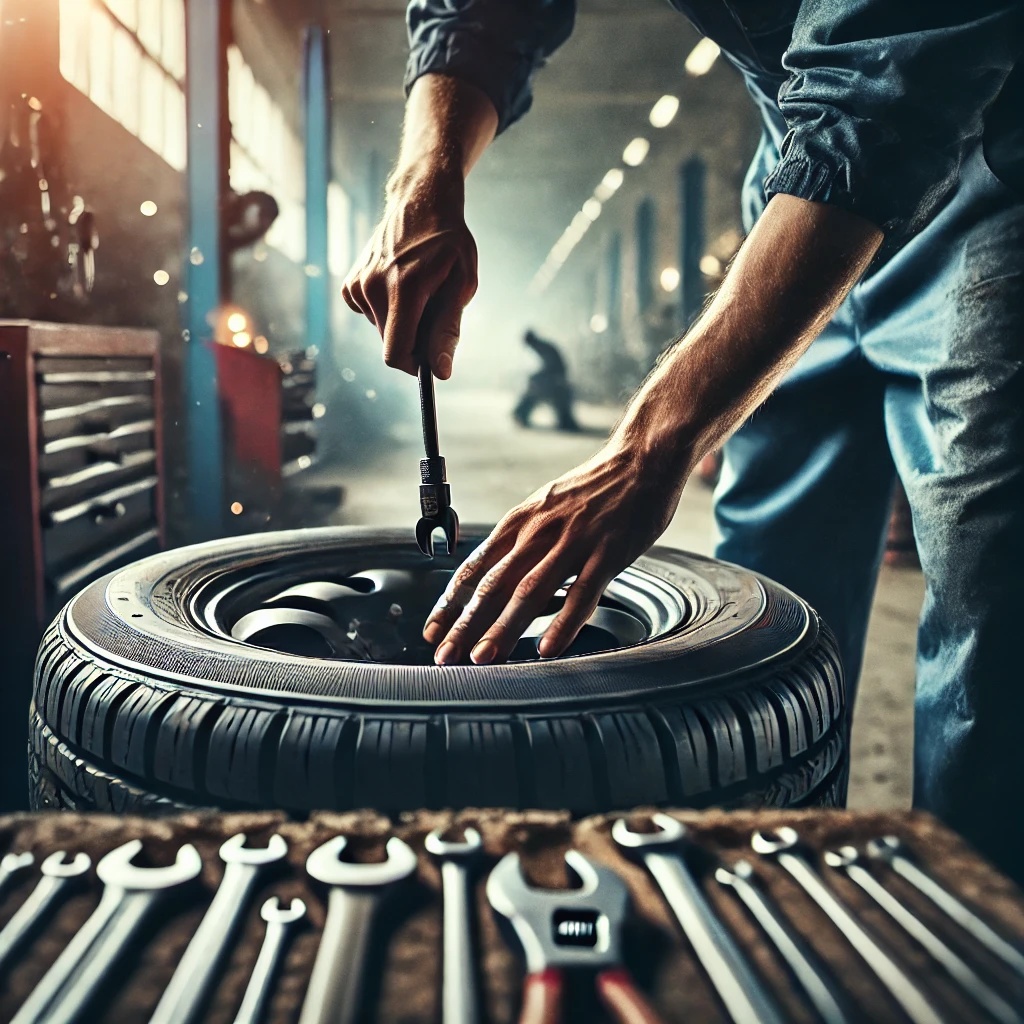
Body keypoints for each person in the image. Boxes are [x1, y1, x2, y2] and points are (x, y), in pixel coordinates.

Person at [341, 1, 1024, 880]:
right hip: (798, 164)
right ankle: (760, 896)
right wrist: (426, 168)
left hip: (986, 167)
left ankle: (976, 940)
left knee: (993, 613)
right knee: (770, 605)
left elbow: (888, 90)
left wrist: (649, 446)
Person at [513, 329, 580, 431]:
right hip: (554, 380)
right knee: (535, 388)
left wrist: (538, 376)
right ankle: (521, 414)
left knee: (535, 389)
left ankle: (520, 413)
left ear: (531, 341)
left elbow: (553, 366)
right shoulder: (543, 347)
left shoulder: (543, 348)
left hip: (554, 381)